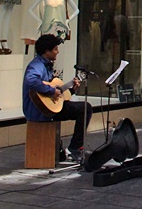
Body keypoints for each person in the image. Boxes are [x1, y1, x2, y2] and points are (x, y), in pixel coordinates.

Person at [22, 34, 92, 163]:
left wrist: (72, 90)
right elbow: (31, 80)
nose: (57, 52)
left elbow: (58, 93)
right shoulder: (36, 65)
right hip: (38, 111)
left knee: (83, 108)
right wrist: (50, 90)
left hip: (45, 109)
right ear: (47, 51)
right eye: (55, 49)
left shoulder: (46, 65)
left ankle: (75, 148)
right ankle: (74, 148)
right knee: (85, 109)